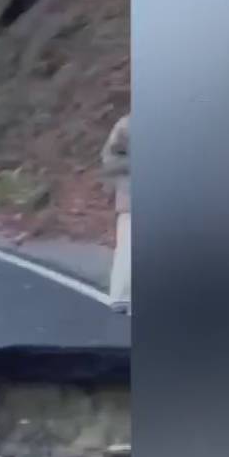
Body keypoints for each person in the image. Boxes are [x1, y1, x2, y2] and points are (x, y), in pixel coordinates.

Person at [101, 113, 130, 312]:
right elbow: (109, 161)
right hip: (132, 200)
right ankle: (121, 296)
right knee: (128, 250)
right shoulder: (127, 125)